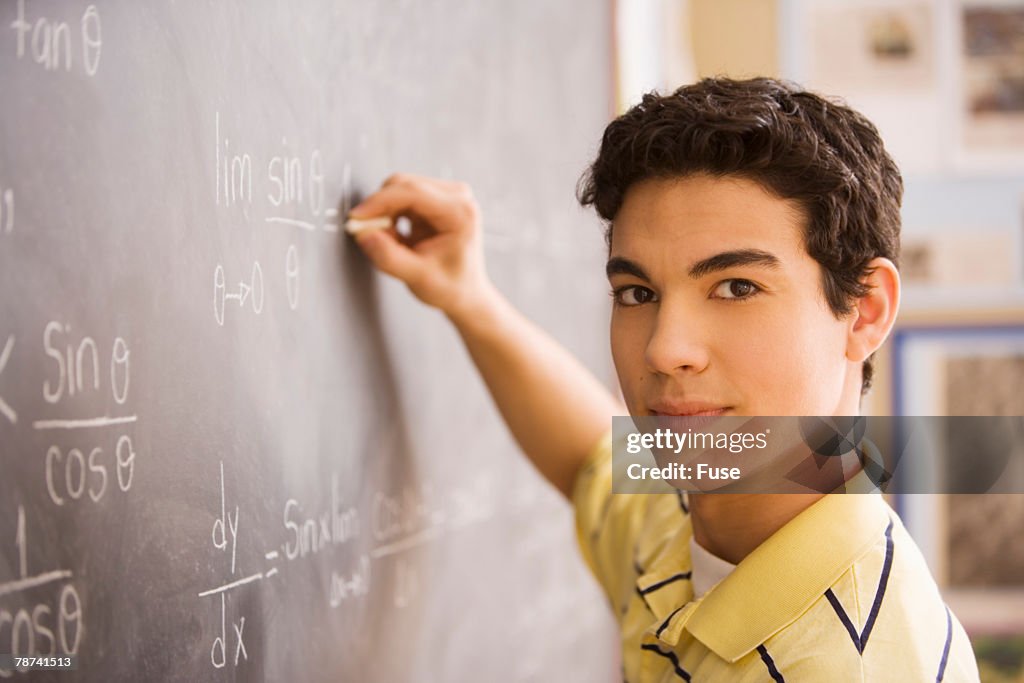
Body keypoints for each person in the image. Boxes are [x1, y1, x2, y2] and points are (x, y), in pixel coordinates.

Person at [348, 78, 980, 681]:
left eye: (737, 287)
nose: (664, 349)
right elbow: (590, 461)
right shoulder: (699, 508)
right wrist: (470, 297)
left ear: (864, 310)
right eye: (637, 292)